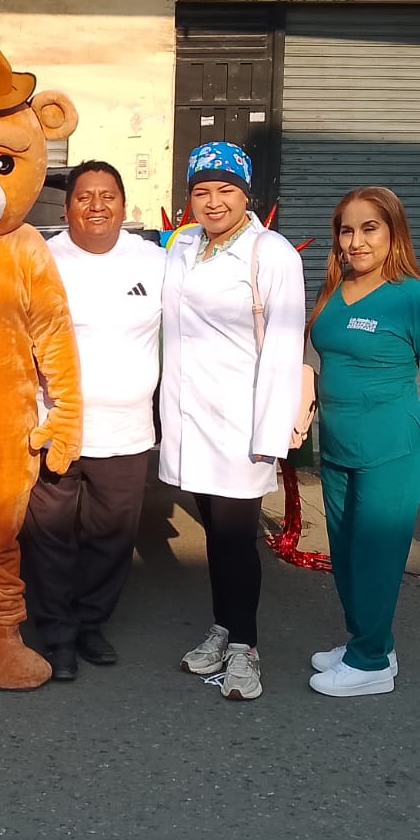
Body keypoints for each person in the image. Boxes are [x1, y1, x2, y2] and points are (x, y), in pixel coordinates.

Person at [161, 142, 305, 701]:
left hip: (241, 425)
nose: (213, 201)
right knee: (216, 537)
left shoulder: (271, 253)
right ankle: (223, 627)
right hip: (189, 418)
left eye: (226, 190)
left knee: (238, 538)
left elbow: (284, 347)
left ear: (247, 195)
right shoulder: (182, 245)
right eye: (202, 191)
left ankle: (245, 646)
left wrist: (269, 435)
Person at [306, 187, 420, 698]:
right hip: (337, 445)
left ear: (394, 232)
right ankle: (370, 642)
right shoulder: (335, 289)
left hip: (392, 447)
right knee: (346, 550)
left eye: (369, 228)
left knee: (376, 554)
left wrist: (415, 419)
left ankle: (370, 664)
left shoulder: (414, 297)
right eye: (346, 230)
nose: (355, 241)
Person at [19, 160, 165, 680]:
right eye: (84, 197)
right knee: (49, 538)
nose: (97, 206)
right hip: (55, 425)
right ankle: (57, 635)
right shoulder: (42, 259)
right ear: (66, 208)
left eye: (108, 196)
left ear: (124, 206)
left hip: (126, 430)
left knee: (112, 538)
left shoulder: (154, 261)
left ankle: (90, 623)